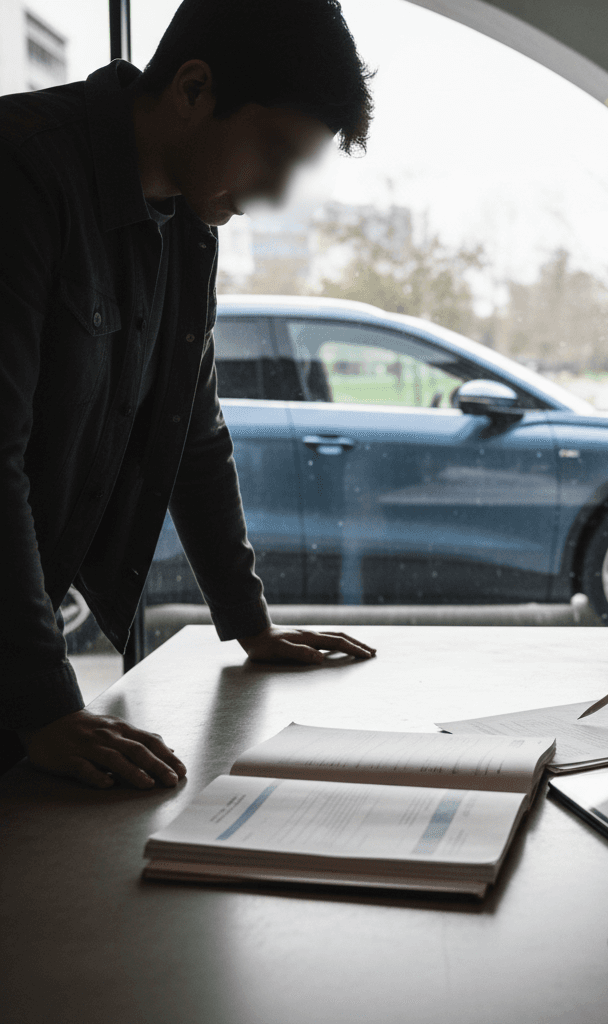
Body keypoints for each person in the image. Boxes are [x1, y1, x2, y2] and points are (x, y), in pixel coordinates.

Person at [0, 0, 377, 790]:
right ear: (194, 89)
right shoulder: (21, 172)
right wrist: (47, 708)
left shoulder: (187, 224)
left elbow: (193, 434)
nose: (274, 192)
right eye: (273, 151)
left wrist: (250, 624)